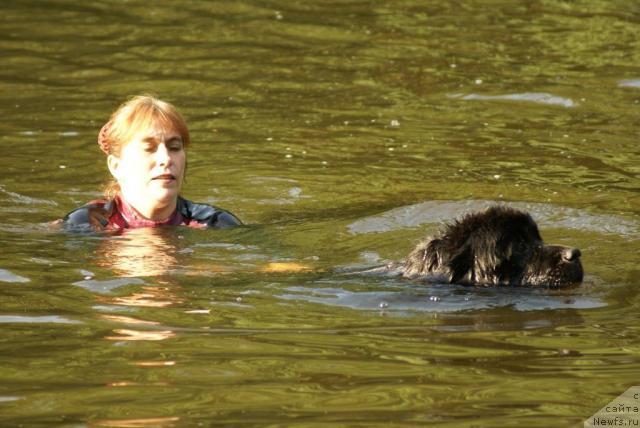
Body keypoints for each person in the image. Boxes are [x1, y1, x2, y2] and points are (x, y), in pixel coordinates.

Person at [61, 95, 242, 231]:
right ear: (116, 166)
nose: (166, 159)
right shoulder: (84, 223)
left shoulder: (215, 223)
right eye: (149, 149)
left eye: (175, 147)